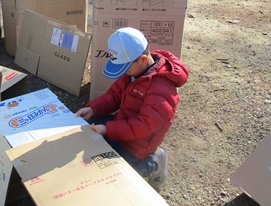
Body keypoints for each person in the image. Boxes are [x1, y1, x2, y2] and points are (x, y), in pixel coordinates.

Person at [76, 27, 188, 188]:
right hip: (123, 125)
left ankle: (154, 162)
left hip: (139, 143)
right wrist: (93, 108)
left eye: (125, 67)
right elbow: (114, 95)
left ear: (143, 59)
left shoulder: (162, 88)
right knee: (88, 126)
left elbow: (144, 125)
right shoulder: (134, 71)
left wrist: (108, 129)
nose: (125, 72)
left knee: (116, 178)